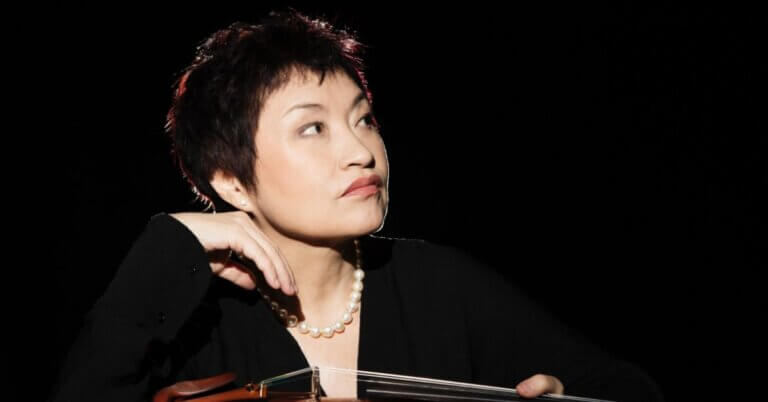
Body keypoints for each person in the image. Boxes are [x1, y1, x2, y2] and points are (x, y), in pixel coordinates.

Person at [49, 8, 664, 402]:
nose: (361, 151)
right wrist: (166, 249)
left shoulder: (440, 285)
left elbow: (627, 388)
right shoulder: (192, 321)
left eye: (363, 119)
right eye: (312, 128)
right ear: (232, 182)